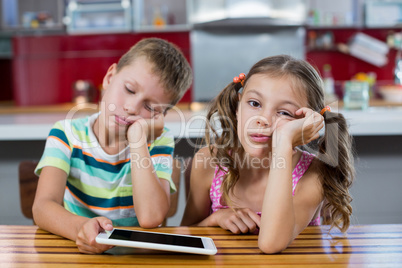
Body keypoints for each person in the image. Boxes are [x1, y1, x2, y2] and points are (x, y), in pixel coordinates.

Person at [32, 38, 193, 254]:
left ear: (160, 116)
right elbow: (43, 207)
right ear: (109, 77)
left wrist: (137, 139)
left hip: (135, 260)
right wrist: (80, 228)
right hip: (78, 253)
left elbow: (150, 217)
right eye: (129, 89)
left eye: (149, 106)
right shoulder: (66, 134)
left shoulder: (158, 141)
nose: (131, 107)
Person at [181, 55, 354, 254]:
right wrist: (214, 219)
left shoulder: (314, 173)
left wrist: (284, 142)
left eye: (284, 113)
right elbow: (188, 231)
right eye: (254, 103)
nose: (263, 119)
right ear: (238, 107)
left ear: (307, 125)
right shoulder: (209, 161)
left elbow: (271, 244)